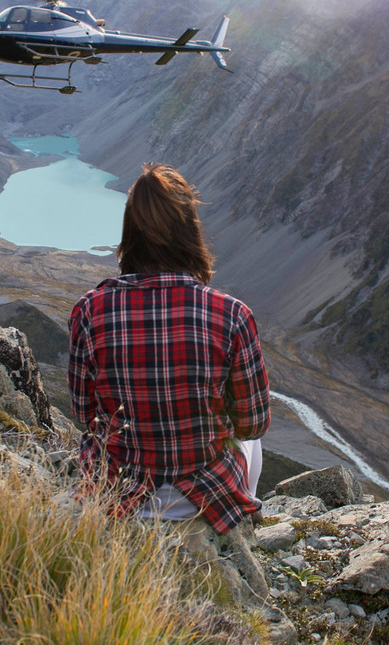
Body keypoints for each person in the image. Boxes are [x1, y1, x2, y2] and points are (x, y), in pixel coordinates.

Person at [67, 162, 270, 533]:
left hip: (118, 497)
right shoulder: (233, 314)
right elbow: (253, 424)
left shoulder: (89, 310)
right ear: (190, 232)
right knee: (250, 442)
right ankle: (242, 525)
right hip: (206, 498)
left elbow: (84, 414)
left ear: (129, 233)